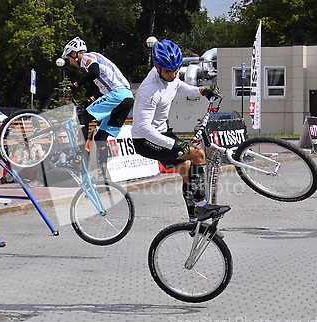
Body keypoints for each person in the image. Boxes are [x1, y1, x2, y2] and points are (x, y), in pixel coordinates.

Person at [131, 39, 230, 223]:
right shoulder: (149, 91)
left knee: (187, 172)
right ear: (156, 67)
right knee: (199, 155)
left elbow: (178, 86)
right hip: (146, 140)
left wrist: (201, 91)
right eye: (169, 71)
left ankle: (194, 221)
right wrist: (174, 144)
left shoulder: (169, 74)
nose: (173, 74)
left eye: (176, 69)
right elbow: (143, 128)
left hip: (162, 133)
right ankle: (202, 207)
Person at [61, 37, 134, 168]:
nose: (71, 63)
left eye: (69, 59)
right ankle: (103, 173)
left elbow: (95, 72)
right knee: (100, 137)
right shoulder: (98, 60)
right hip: (127, 98)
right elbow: (103, 90)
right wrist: (90, 101)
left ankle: (79, 156)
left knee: (81, 118)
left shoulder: (87, 57)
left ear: (75, 53)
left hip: (117, 95)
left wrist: (75, 85)